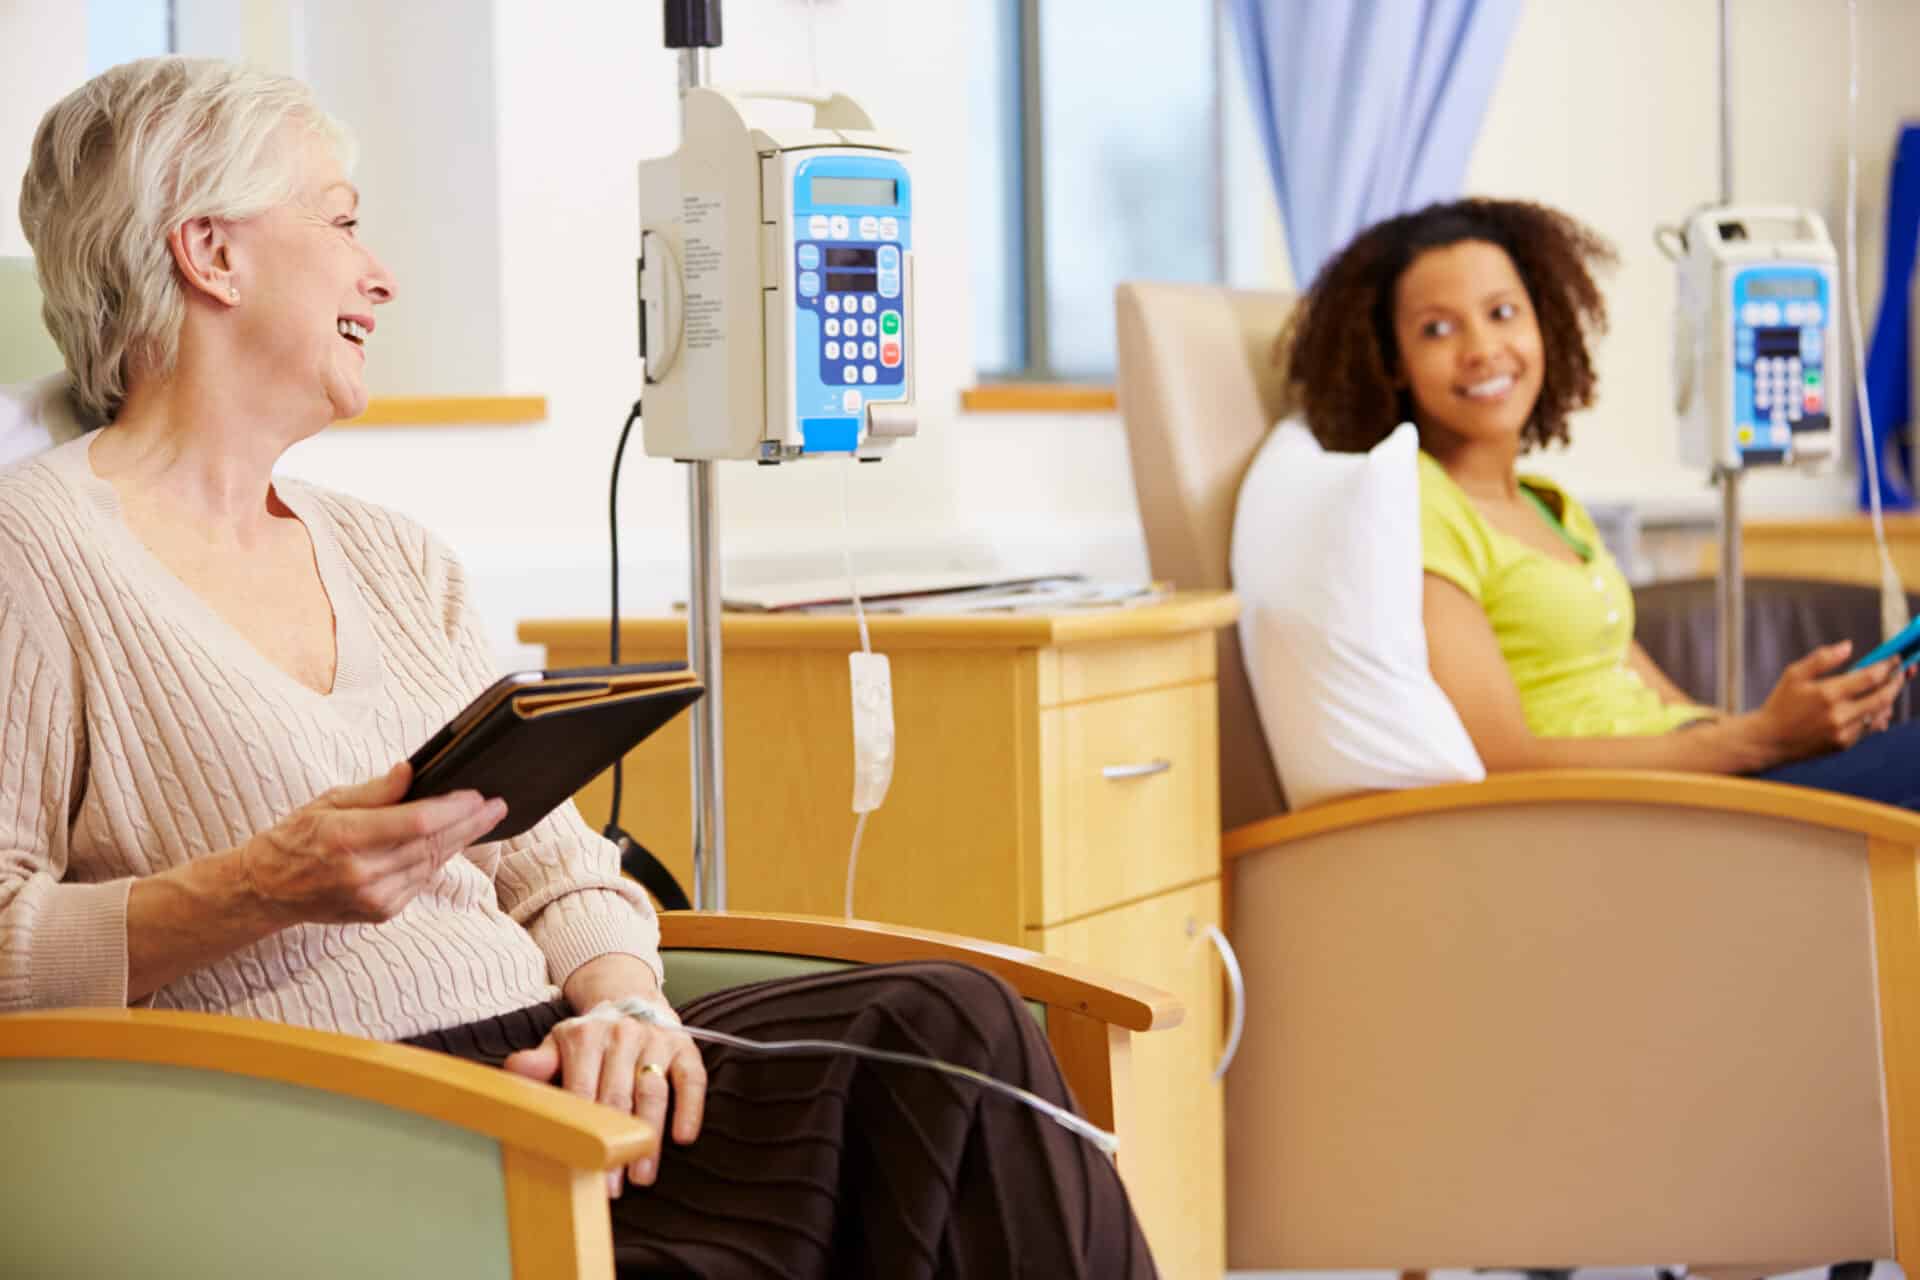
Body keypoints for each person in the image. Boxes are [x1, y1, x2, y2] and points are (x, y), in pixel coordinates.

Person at [1, 56, 1155, 1278]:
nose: (380, 274)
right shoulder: (33, 555)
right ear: (211, 254)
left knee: (948, 1021)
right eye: (340, 222)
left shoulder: (396, 556)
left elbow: (560, 871)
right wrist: (259, 886)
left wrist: (626, 1004)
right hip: (346, 1128)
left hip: (552, 1072)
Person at [1280, 196, 1920, 809]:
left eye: (1502, 313)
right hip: (1620, 818)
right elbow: (1499, 758)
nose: (1481, 348)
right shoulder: (1418, 505)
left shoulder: (1549, 505)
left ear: (1543, 324)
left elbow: (1669, 707)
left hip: (1706, 785)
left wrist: (1800, 724)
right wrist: (1760, 740)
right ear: (1392, 363)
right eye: (1437, 329)